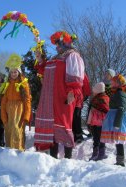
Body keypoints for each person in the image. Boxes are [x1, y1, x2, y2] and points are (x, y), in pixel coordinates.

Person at [34, 31, 85, 159]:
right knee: (52, 127)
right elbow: (44, 70)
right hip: (50, 98)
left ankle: (68, 158)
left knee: (64, 124)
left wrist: (72, 92)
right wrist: (40, 60)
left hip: (63, 96)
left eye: (58, 43)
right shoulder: (55, 58)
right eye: (56, 43)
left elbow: (76, 76)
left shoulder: (72, 56)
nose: (56, 46)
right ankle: (53, 158)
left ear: (65, 42)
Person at [0, 53, 31, 151]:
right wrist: (4, 116)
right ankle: (9, 152)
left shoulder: (23, 84)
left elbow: (27, 100)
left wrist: (26, 115)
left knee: (16, 130)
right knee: (9, 130)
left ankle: (18, 151)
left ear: (19, 72)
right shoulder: (7, 84)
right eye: (12, 72)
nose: (13, 74)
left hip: (19, 110)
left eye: (15, 72)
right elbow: (4, 101)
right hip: (9, 110)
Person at [100, 74, 126, 166]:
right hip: (116, 117)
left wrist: (117, 124)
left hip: (119, 118)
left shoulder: (120, 93)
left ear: (118, 83)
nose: (111, 83)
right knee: (118, 140)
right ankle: (119, 161)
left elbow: (121, 108)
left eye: (113, 82)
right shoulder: (117, 92)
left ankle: (120, 162)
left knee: (119, 140)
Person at [87, 82, 109, 161]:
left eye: (94, 90)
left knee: (99, 138)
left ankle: (99, 154)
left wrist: (89, 122)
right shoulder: (100, 99)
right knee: (98, 138)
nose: (93, 92)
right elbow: (91, 112)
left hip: (98, 123)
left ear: (98, 90)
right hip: (99, 123)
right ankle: (97, 154)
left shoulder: (100, 99)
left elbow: (106, 110)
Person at [72, 73, 91, 144]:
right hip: (71, 96)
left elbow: (86, 84)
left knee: (76, 116)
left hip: (78, 97)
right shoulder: (68, 69)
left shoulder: (81, 72)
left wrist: (86, 94)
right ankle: (74, 134)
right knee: (73, 116)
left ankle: (78, 135)